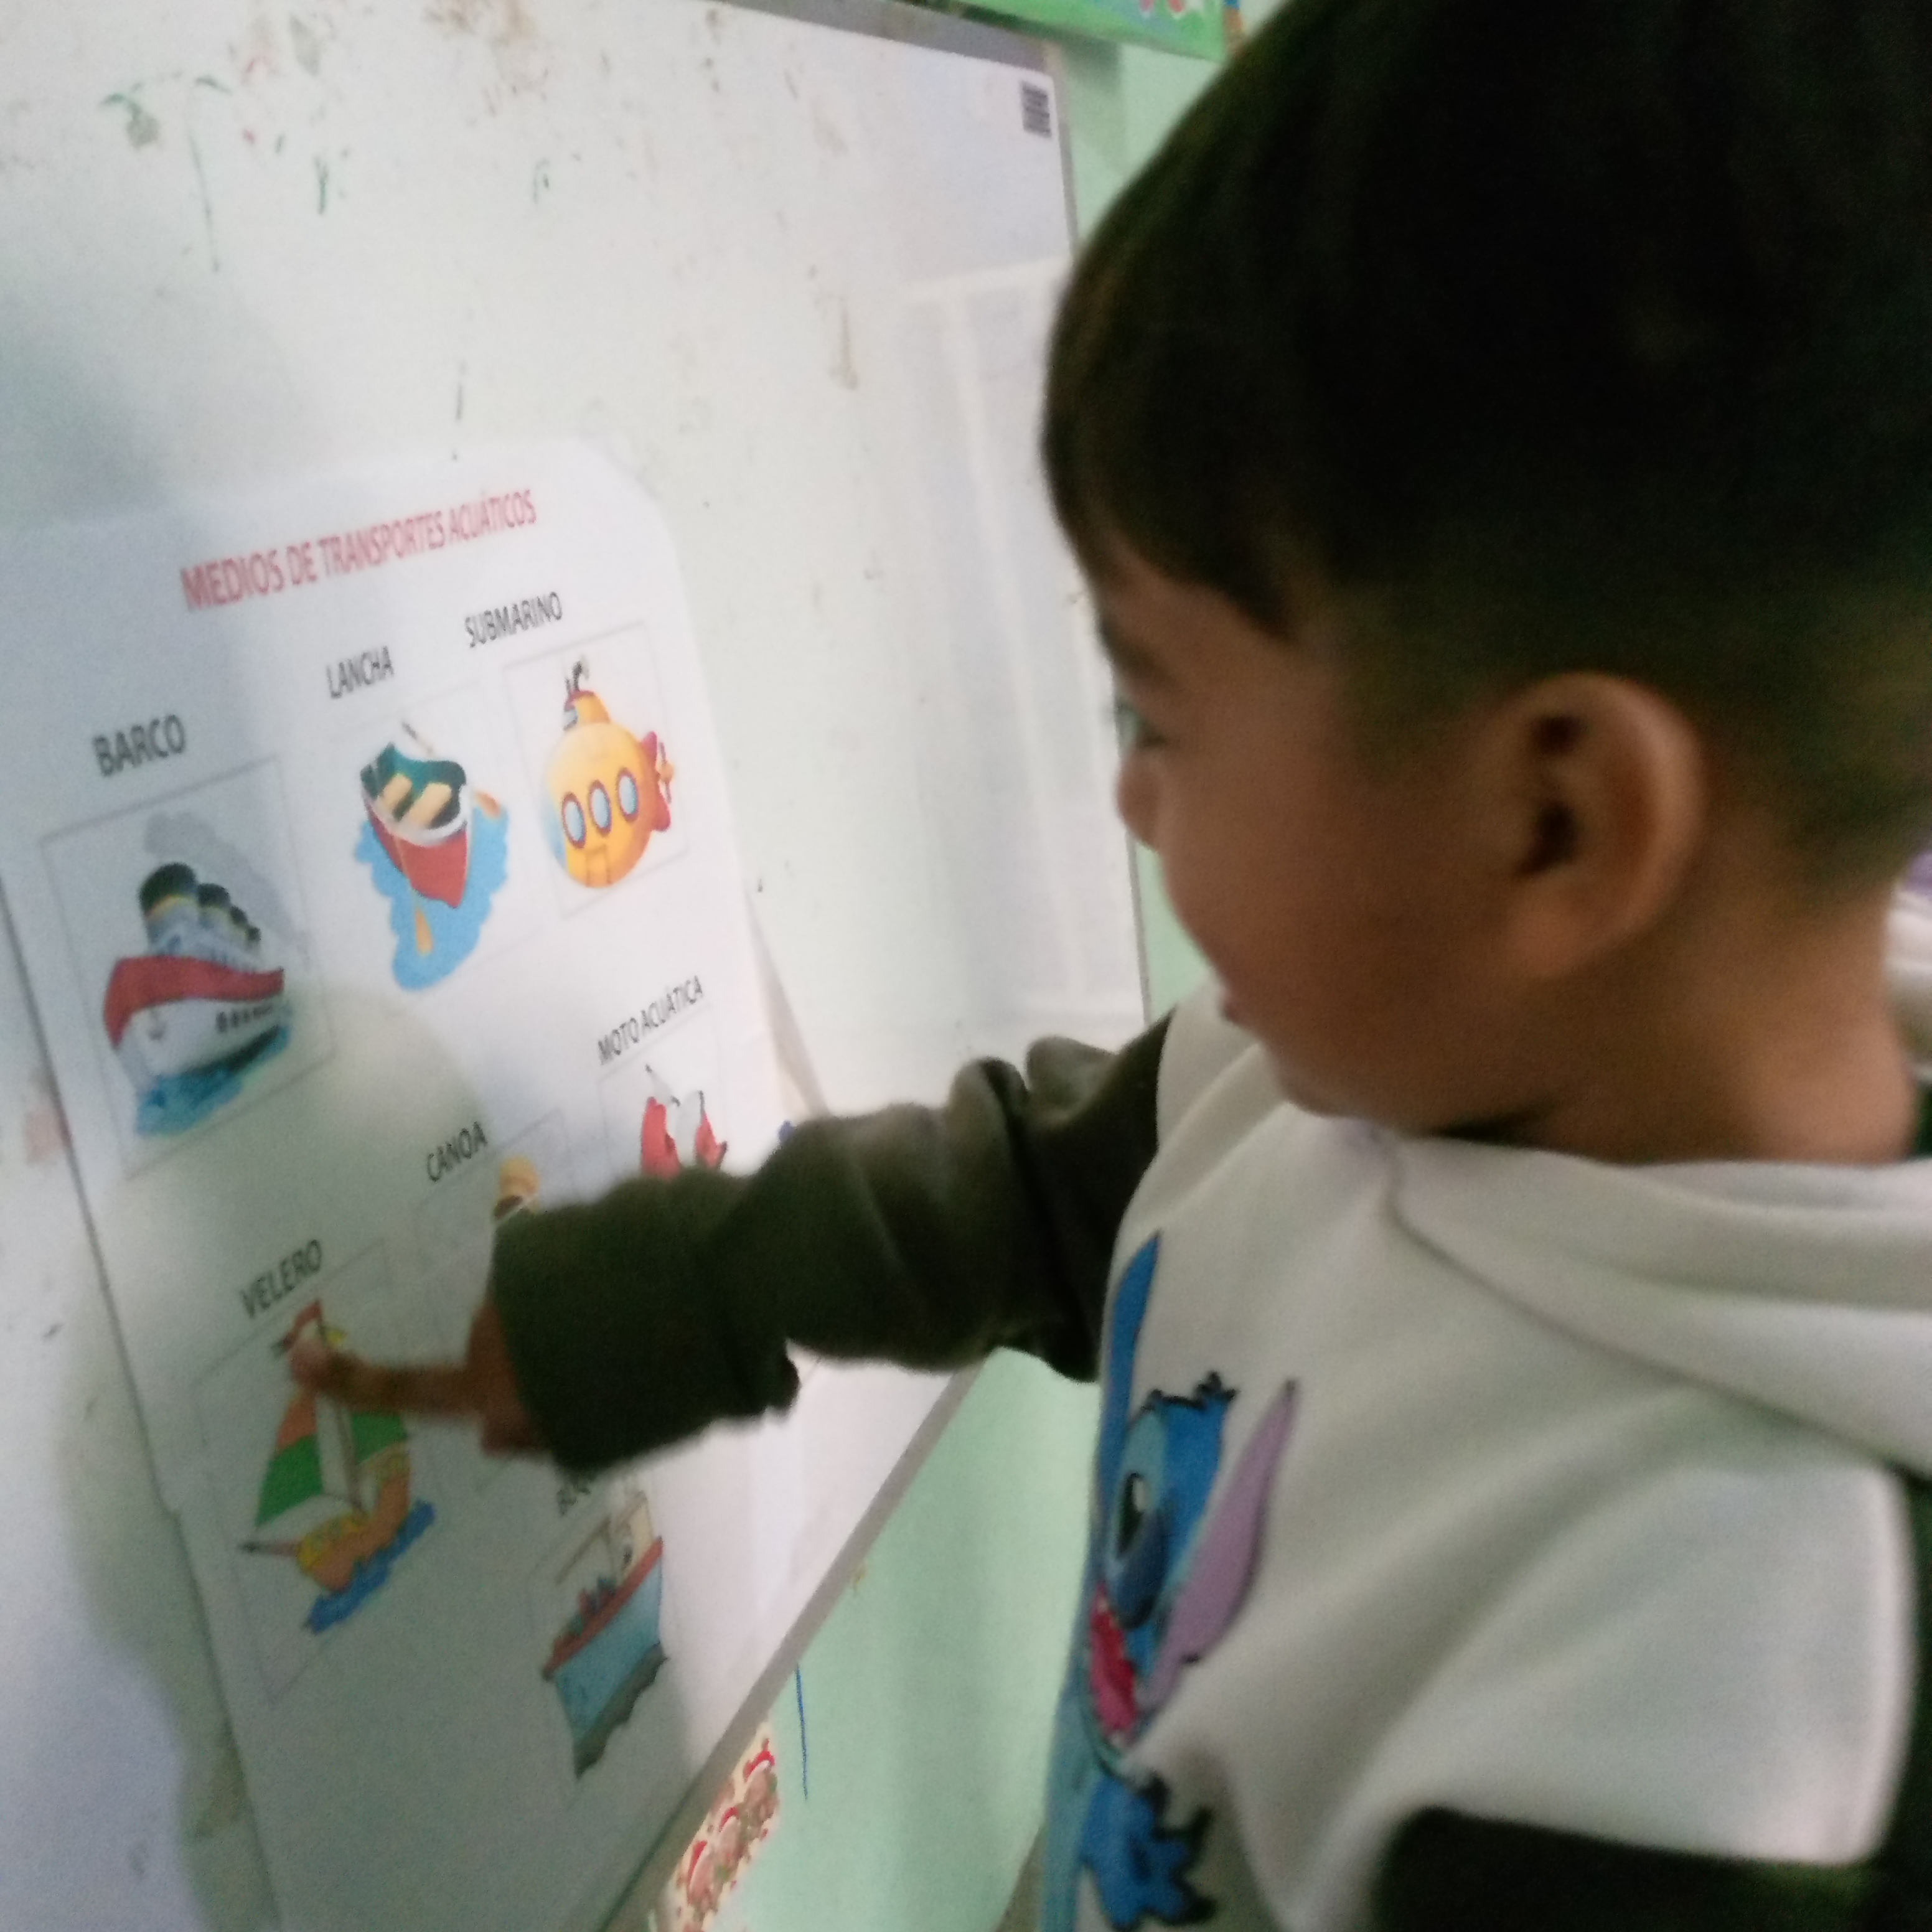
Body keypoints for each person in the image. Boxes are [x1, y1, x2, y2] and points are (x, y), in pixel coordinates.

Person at [297, 1, 1932, 1923]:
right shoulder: (1320, 1066)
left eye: (1155, 712)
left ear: (1553, 824)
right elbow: (1024, 1196)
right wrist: (657, 1298)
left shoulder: (1726, 1700)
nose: (1132, 799)